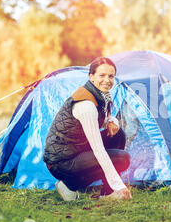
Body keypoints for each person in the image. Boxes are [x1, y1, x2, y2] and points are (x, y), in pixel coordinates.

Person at [43, 56, 132, 201]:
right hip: (60, 162)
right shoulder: (86, 105)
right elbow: (98, 150)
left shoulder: (98, 95)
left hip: (76, 149)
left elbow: (104, 116)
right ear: (91, 76)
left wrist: (112, 120)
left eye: (111, 76)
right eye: (101, 75)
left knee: (117, 135)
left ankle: (106, 192)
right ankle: (70, 185)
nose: (107, 80)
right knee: (123, 159)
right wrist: (119, 185)